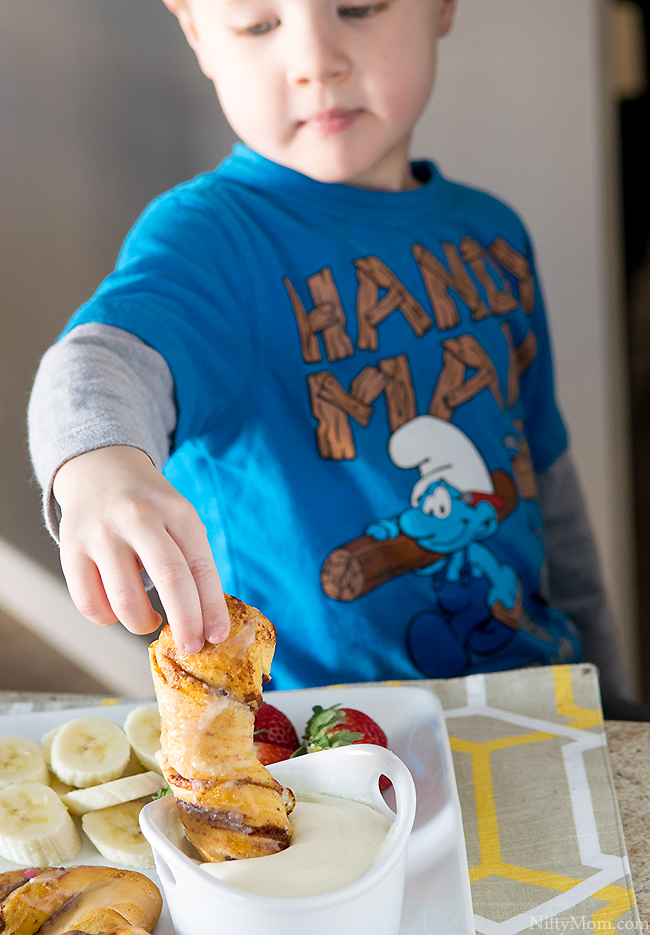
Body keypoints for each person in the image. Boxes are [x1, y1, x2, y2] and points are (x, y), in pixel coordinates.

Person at [28, 0, 628, 702]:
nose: (315, 63)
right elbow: (101, 359)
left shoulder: (494, 234)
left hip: (543, 698)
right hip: (325, 745)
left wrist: (609, 692)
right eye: (259, 25)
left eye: (358, 7)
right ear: (198, 33)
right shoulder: (211, 242)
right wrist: (98, 467)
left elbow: (550, 491)